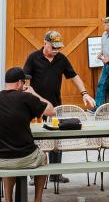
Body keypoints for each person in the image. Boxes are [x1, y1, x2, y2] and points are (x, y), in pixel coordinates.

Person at [23, 30, 94, 182]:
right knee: (36, 140)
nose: (56, 50)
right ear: (45, 43)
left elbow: (74, 76)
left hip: (56, 107)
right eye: (53, 47)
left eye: (58, 47)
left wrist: (84, 93)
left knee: (56, 139)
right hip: (36, 107)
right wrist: (28, 98)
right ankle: (35, 174)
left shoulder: (61, 59)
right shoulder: (33, 58)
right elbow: (26, 81)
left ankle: (55, 174)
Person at [0, 67, 56, 202]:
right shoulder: (26, 98)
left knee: (9, 160)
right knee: (43, 157)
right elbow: (51, 111)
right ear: (19, 83)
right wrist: (34, 93)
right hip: (25, 157)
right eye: (24, 82)